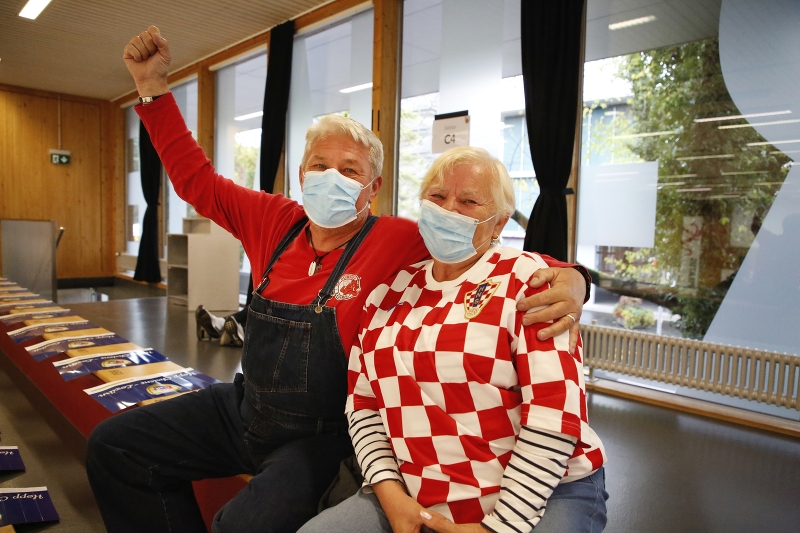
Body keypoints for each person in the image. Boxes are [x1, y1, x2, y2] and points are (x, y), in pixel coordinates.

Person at [86, 26, 591, 533]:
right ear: (301, 175)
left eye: (349, 170)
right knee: (115, 447)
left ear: (372, 189)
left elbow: (482, 242)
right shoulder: (271, 220)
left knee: (245, 525)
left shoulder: (401, 239)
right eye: (319, 165)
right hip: (245, 408)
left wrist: (574, 279)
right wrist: (152, 91)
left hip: (322, 435)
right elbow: (196, 179)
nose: (331, 177)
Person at [299, 147, 607, 533]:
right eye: (438, 197)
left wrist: (499, 527)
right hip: (414, 490)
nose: (448, 210)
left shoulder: (528, 283)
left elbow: (555, 419)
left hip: (544, 491)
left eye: (469, 201)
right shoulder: (388, 294)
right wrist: (392, 497)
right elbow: (363, 408)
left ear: (498, 225)